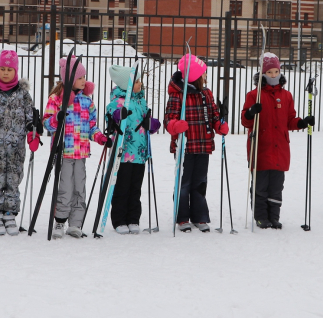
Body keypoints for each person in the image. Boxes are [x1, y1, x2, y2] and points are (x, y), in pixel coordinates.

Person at [240, 52, 314, 229]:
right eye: (269, 72)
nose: (273, 75)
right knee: (260, 185)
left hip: (280, 147)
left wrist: (302, 122)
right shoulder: (254, 95)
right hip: (261, 146)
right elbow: (245, 120)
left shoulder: (286, 95)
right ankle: (260, 217)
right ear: (263, 74)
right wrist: (251, 112)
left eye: (275, 71)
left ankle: (274, 216)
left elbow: (290, 120)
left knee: (276, 187)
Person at [0, 50, 40, 236]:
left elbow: (30, 117)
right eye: (2, 69)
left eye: (9, 69)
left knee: (13, 178)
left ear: (16, 71)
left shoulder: (23, 95)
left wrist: (32, 134)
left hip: (16, 148)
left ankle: (10, 212)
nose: (5, 72)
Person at [43, 56, 105, 239]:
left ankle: (76, 223)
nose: (84, 80)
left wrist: (100, 137)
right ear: (68, 79)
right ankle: (60, 221)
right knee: (65, 187)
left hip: (81, 153)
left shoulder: (87, 101)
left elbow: (92, 126)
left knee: (80, 187)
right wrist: (57, 118)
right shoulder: (56, 99)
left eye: (84, 76)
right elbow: (47, 124)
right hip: (63, 152)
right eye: (80, 77)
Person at [164, 53, 226, 233]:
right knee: (184, 182)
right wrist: (175, 125)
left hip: (203, 144)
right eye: (203, 74)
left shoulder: (206, 93)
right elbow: (168, 119)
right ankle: (182, 217)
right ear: (194, 76)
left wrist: (218, 125)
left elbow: (214, 114)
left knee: (199, 182)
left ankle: (200, 216)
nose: (206, 76)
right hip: (185, 146)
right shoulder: (177, 95)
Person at [105, 65, 162, 234]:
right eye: (136, 81)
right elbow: (112, 116)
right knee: (122, 186)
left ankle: (133, 218)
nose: (140, 83)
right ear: (126, 84)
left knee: (135, 187)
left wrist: (151, 124)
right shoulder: (116, 101)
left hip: (140, 152)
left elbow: (149, 122)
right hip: (123, 154)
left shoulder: (140, 101)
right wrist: (118, 115)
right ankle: (119, 219)